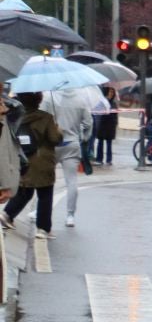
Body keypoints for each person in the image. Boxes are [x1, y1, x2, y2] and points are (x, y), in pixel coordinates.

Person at [1, 92, 60, 237]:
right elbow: (55, 138)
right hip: (42, 162)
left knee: (24, 190)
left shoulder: (14, 116)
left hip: (21, 159)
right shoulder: (46, 118)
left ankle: (7, 214)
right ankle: (43, 228)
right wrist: (58, 130)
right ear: (39, 100)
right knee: (45, 195)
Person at [48, 84, 102, 227]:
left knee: (47, 180)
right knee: (71, 181)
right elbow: (89, 123)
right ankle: (70, 215)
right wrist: (84, 137)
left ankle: (40, 211)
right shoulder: (81, 100)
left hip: (53, 144)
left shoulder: (53, 97)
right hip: (72, 144)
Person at [91, 83, 118, 165]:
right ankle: (99, 159)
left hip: (110, 126)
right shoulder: (102, 102)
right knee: (100, 142)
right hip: (102, 125)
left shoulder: (114, 104)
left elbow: (115, 115)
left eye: (112, 92)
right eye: (109, 92)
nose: (111, 94)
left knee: (109, 144)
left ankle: (109, 160)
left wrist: (115, 123)